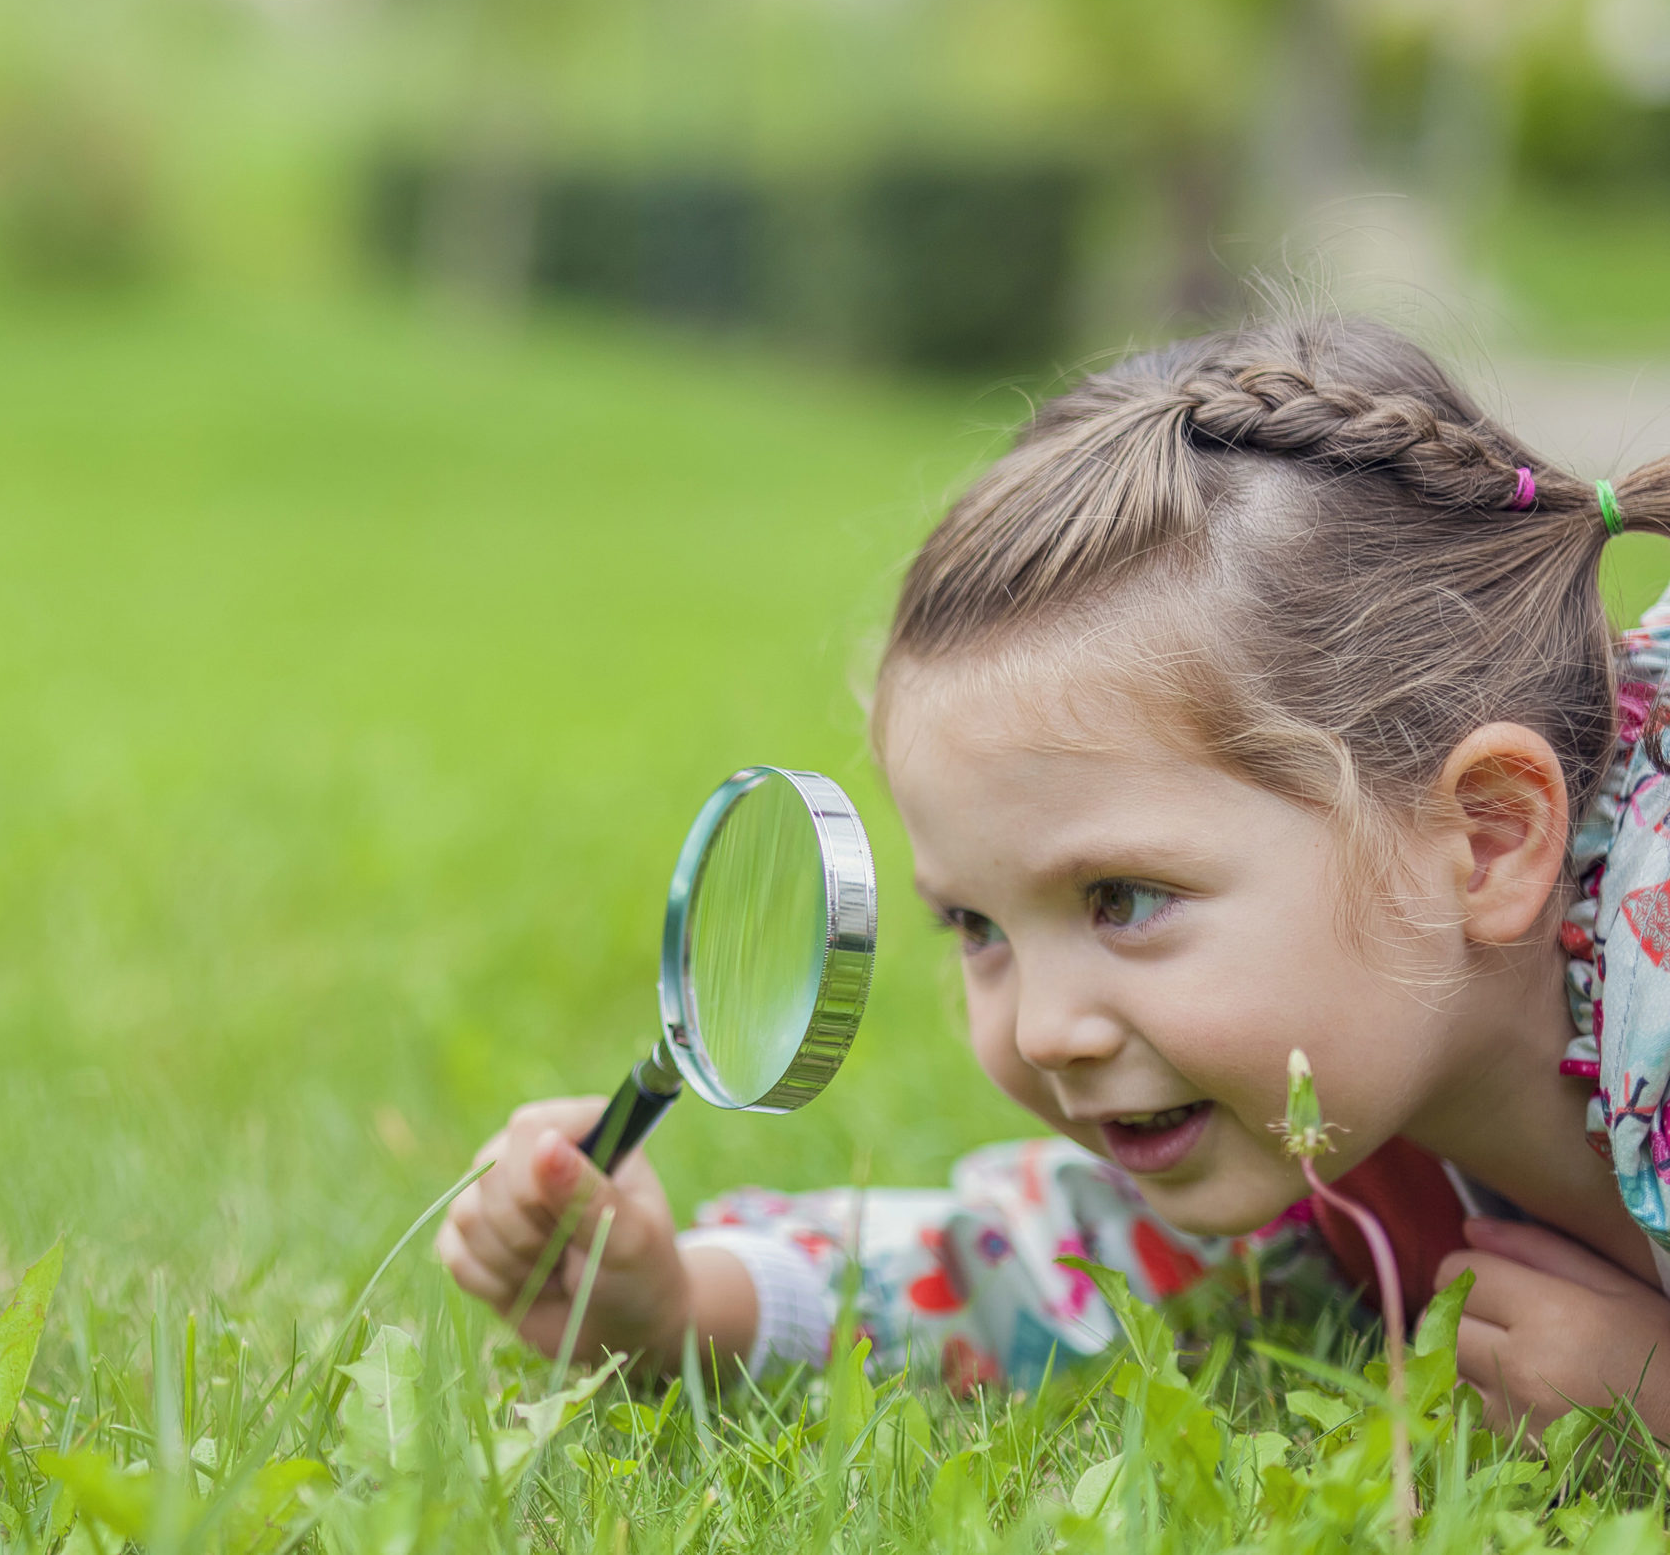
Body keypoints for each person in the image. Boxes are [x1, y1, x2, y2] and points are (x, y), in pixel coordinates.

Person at [436, 313, 1670, 1435]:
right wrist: (675, 1302)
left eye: (1122, 899)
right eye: (975, 925)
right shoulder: (1326, 1107)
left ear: (1488, 840)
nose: (1040, 1028)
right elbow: (1051, 1262)